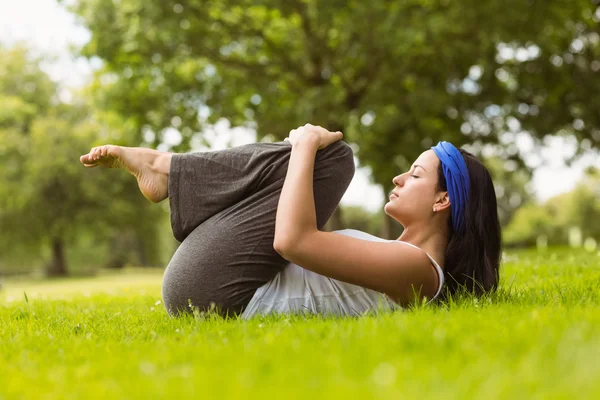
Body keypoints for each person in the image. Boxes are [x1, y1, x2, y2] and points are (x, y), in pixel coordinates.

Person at [80, 124, 501, 318]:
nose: (399, 178)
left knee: (333, 156)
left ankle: (164, 167)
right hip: (213, 285)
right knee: (325, 157)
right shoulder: (403, 257)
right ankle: (165, 169)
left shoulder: (420, 271)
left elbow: (293, 241)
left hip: (214, 293)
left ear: (442, 199)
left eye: (416, 174)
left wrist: (302, 146)